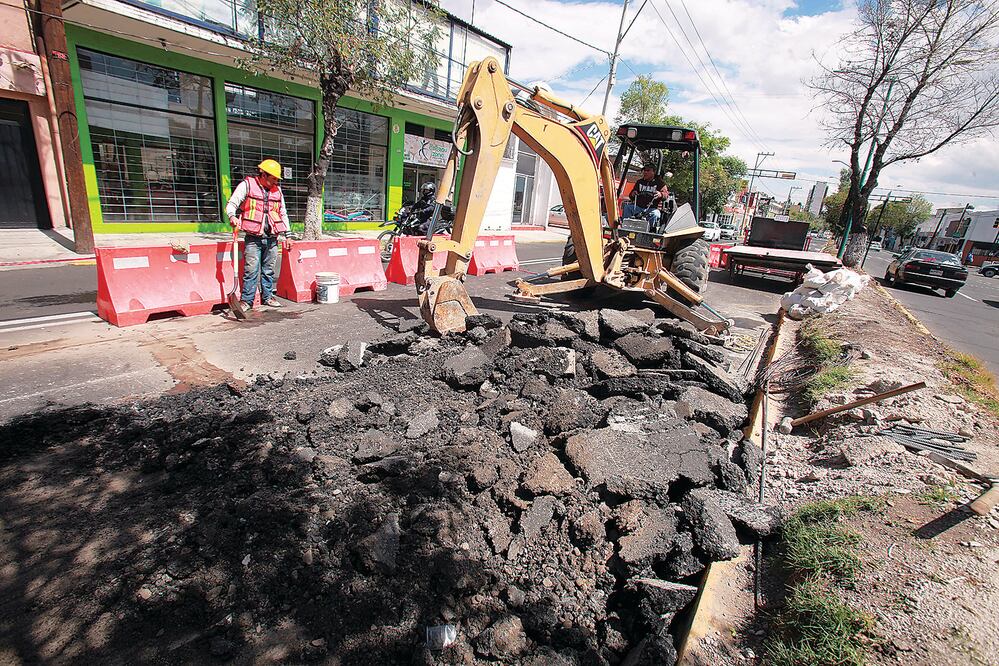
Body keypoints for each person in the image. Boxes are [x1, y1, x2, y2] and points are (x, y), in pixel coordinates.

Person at [226, 159, 293, 311]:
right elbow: (232, 204)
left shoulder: (278, 191)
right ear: (264, 174)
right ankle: (247, 301)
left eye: (277, 179)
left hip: (272, 238)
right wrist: (232, 216)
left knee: (269, 269)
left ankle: (267, 297)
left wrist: (288, 235)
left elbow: (283, 213)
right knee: (251, 270)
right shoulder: (247, 185)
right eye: (274, 178)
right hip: (253, 238)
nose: (276, 182)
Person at [622, 165, 669, 231]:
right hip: (638, 207)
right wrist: (633, 194)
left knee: (655, 214)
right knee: (627, 208)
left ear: (654, 172)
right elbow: (631, 196)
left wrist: (660, 194)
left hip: (652, 208)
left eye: (648, 170)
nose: (645, 172)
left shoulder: (660, 183)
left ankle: (649, 231)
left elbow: (666, 195)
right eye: (644, 170)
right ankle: (625, 228)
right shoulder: (639, 182)